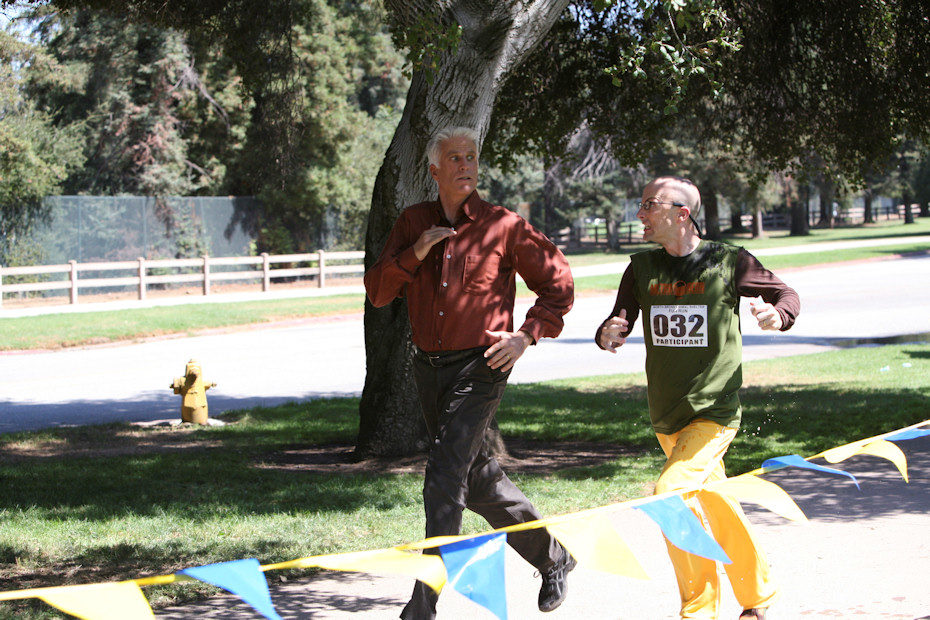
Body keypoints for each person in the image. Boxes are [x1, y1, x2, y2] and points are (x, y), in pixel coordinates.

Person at [365, 127, 577, 619]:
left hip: (482, 366)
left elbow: (558, 285)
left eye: (472, 157)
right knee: (477, 478)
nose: (465, 165)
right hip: (428, 369)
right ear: (434, 170)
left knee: (443, 474)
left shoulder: (503, 226)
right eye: (454, 158)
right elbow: (377, 292)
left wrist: (526, 335)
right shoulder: (412, 222)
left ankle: (422, 606)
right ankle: (554, 558)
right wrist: (415, 252)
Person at [595, 177, 800, 620]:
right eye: (641, 203)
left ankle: (699, 610)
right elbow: (619, 318)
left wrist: (776, 315)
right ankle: (760, 598)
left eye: (650, 205)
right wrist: (608, 333)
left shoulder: (729, 262)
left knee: (670, 494)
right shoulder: (642, 268)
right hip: (666, 416)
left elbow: (785, 294)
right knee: (717, 505)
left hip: (714, 412)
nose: (641, 214)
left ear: (682, 213)